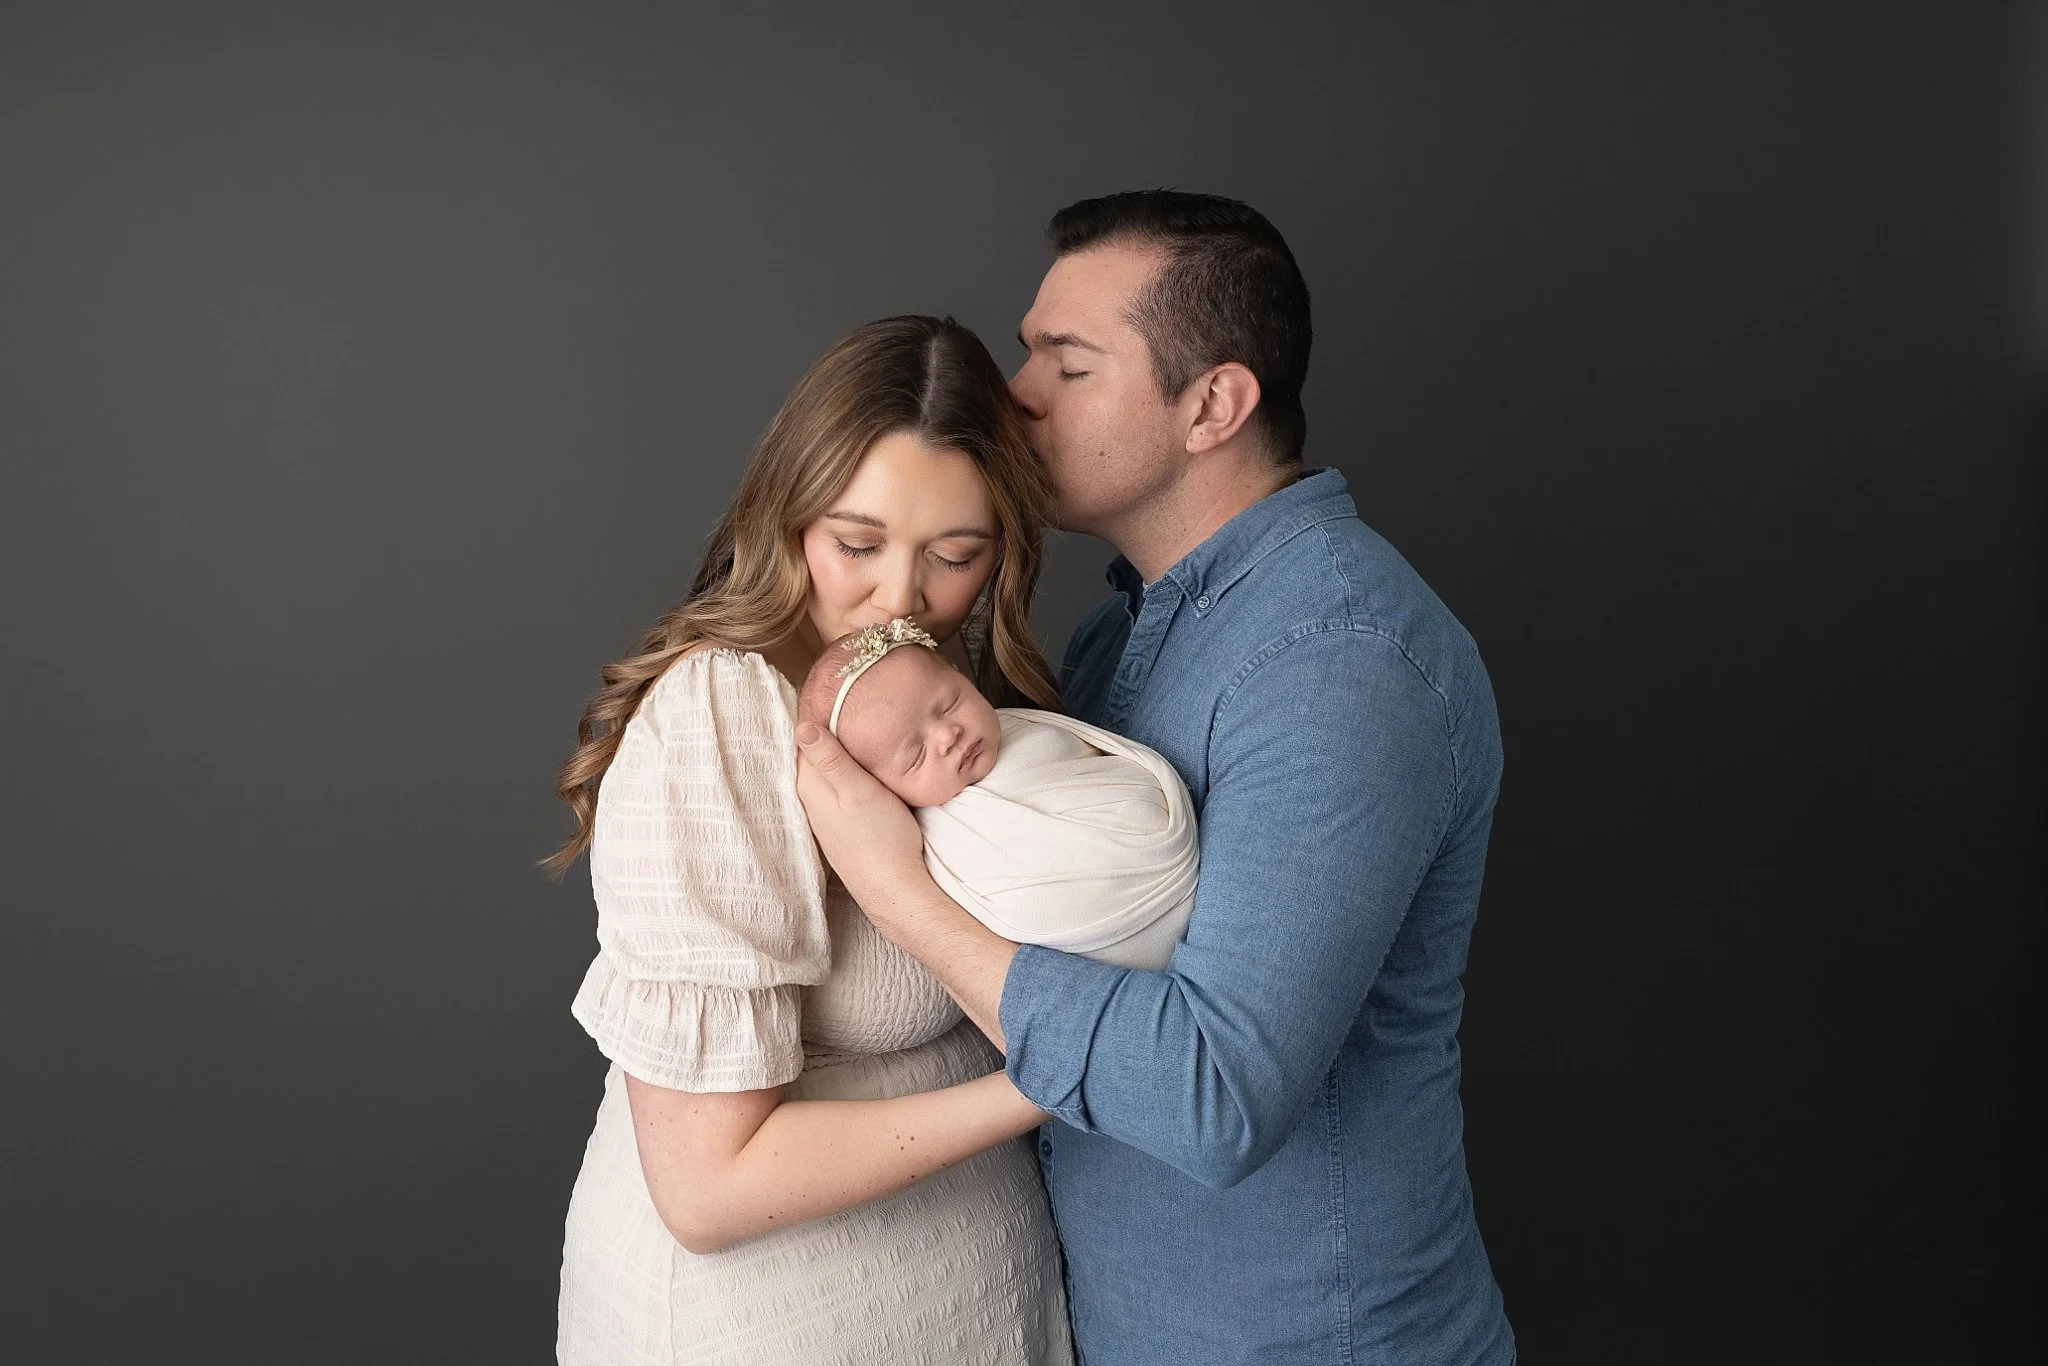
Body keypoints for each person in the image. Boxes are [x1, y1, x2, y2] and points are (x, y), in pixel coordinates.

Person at [795, 192, 1517, 1364]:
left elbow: (1212, 1095)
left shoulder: (1339, 660)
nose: (1016, 393)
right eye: (1027, 351)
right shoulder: (1119, 634)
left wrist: (896, 893)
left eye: (1067, 364)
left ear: (1212, 405)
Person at [545, 315, 1074, 1366]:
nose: (900, 599)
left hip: (969, 1309)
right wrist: (1057, 1078)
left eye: (955, 555)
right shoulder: (724, 713)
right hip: (768, 1325)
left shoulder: (953, 707)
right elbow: (708, 1188)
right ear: (786, 517)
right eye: (857, 545)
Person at [799, 616, 1197, 969]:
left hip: (1171, 864)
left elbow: (1102, 767)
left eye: (949, 704)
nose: (948, 736)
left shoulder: (1023, 729)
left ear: (958, 673)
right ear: (882, 789)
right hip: (1103, 934)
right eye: (916, 754)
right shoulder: (938, 835)